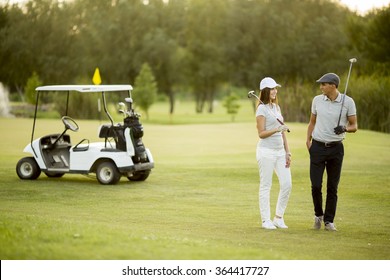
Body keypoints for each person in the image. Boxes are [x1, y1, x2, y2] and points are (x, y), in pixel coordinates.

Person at [306, 73, 357, 231]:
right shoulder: (317, 100)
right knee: (315, 185)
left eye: (324, 84)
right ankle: (318, 215)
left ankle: (329, 221)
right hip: (318, 147)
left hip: (336, 148)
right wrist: (308, 140)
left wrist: (344, 128)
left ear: (333, 86)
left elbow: (354, 125)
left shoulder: (348, 102)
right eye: (320, 84)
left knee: (332, 187)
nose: (321, 87)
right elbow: (312, 122)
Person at [255, 77, 292, 230]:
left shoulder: (276, 108)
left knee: (287, 184)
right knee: (266, 186)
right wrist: (277, 129)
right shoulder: (261, 109)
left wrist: (287, 151)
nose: (275, 91)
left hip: (280, 152)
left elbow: (282, 131)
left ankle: (278, 217)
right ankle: (265, 220)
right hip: (266, 152)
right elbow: (261, 133)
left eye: (275, 88)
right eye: (271, 89)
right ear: (265, 91)